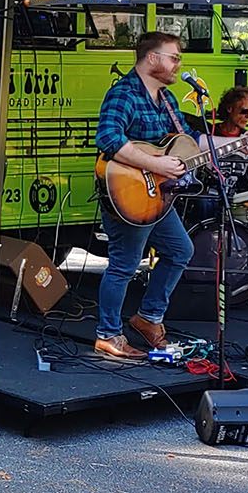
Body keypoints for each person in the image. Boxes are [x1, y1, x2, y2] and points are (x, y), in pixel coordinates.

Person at [93, 32, 216, 359]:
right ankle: (108, 334)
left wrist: (235, 143)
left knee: (180, 250)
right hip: (128, 194)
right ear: (152, 59)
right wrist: (155, 162)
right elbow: (107, 138)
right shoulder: (124, 94)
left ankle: (148, 318)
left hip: (158, 197)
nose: (178, 64)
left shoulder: (168, 100)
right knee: (124, 264)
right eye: (173, 57)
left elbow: (188, 140)